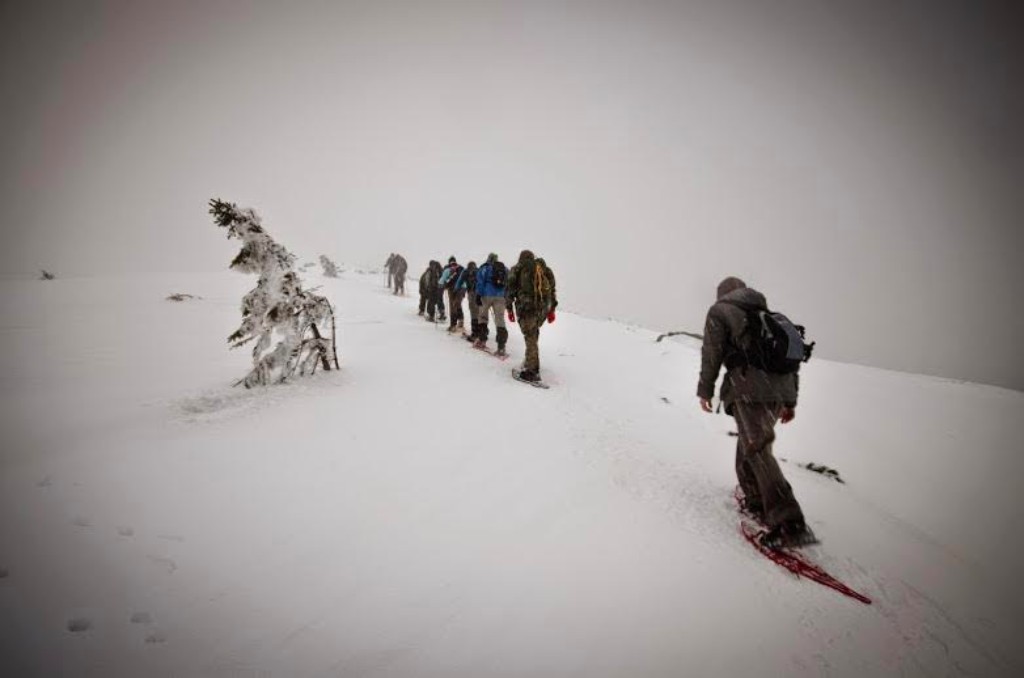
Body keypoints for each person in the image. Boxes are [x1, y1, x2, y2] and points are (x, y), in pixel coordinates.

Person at [696, 276, 813, 548]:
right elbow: (792, 362)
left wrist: (705, 390)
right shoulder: (765, 315)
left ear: (722, 294)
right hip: (778, 390)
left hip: (750, 387)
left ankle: (789, 522)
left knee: (757, 448)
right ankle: (757, 500)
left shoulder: (720, 310)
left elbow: (712, 352)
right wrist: (790, 401)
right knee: (751, 443)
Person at [505, 250, 557, 381]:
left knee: (530, 336)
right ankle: (530, 360)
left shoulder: (517, 268)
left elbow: (509, 290)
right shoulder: (543, 269)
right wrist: (551, 310)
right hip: (543, 308)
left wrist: (509, 309)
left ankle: (532, 371)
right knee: (533, 333)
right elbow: (552, 290)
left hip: (526, 308)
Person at [474, 252, 509, 355]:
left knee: (483, 317)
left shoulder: (484, 268)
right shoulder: (505, 269)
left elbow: (480, 282)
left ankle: (482, 340)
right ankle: (501, 347)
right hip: (500, 296)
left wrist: (478, 295)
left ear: (488, 258)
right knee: (500, 320)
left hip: (486, 295)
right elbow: (509, 282)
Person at [438, 256, 465, 333]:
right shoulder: (461, 269)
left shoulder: (447, 270)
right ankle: (461, 320)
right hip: (461, 289)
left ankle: (453, 325)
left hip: (451, 289)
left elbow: (441, 281)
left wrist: (441, 287)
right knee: (458, 304)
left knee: (452, 306)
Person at [459, 260, 479, 338]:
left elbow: (460, 281)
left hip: (472, 293)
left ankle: (475, 333)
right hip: (481, 294)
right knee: (480, 312)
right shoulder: (479, 271)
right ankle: (482, 332)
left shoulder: (466, 272)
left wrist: (457, 289)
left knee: (473, 312)